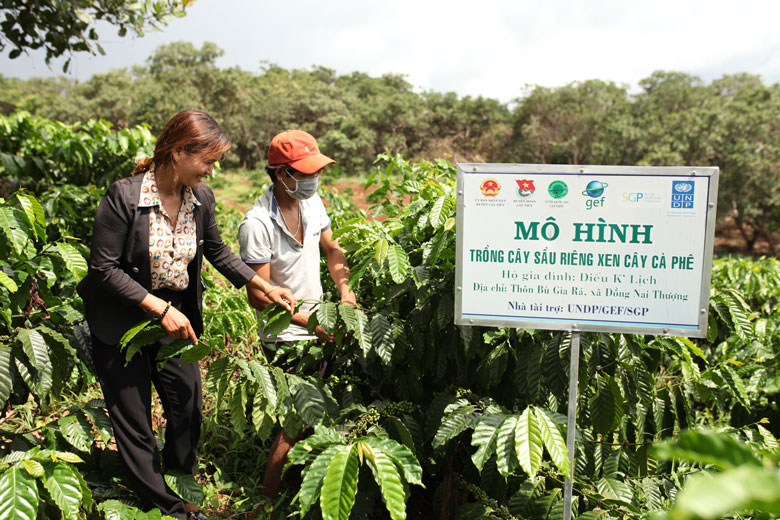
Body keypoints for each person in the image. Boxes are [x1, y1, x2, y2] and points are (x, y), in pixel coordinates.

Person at [77, 110, 296, 520]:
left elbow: (217, 251)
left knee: (188, 407)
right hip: (123, 319)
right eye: (207, 161)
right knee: (135, 419)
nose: (212, 170)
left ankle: (180, 483)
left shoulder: (201, 200)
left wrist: (262, 285)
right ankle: (169, 508)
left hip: (175, 316)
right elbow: (103, 269)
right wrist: (157, 308)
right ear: (178, 152)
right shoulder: (124, 197)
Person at [238, 129, 356, 497]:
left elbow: (333, 250)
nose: (312, 180)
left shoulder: (312, 203)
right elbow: (259, 298)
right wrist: (311, 324)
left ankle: (297, 486)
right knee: (297, 420)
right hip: (286, 336)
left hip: (321, 325)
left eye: (314, 172)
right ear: (280, 174)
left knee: (313, 415)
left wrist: (345, 291)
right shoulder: (256, 225)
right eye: (304, 173)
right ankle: (268, 497)